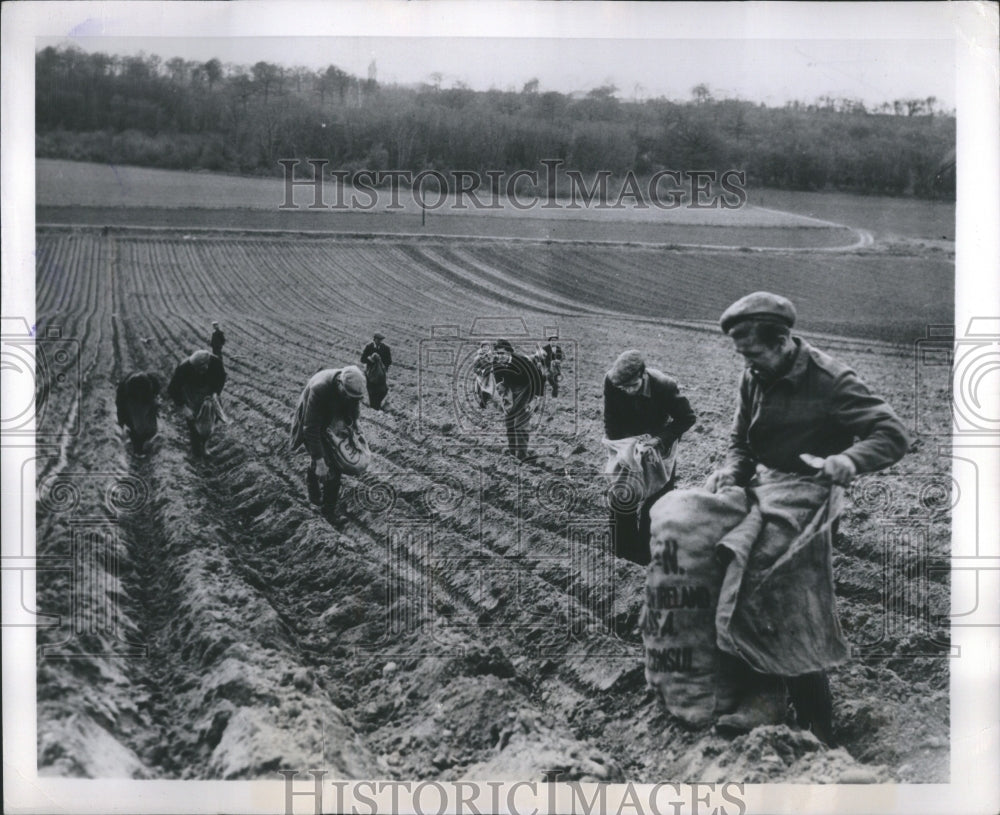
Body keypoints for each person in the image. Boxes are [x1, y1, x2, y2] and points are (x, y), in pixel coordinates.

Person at [700, 291, 910, 743]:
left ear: (780, 341)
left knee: (786, 594)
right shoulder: (754, 374)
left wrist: (850, 460)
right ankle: (763, 693)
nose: (746, 361)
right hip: (767, 485)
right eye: (742, 354)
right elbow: (741, 442)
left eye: (752, 351)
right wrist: (731, 473)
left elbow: (891, 433)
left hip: (812, 495)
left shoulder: (830, 379)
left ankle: (817, 718)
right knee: (713, 552)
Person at [603, 350, 696, 565]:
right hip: (628, 443)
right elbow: (610, 420)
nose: (626, 391)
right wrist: (621, 449)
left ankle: (645, 555)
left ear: (643, 375)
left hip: (658, 447)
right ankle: (622, 553)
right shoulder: (612, 381)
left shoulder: (664, 386)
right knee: (621, 495)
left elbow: (686, 418)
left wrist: (659, 440)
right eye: (622, 388)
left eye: (631, 386)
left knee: (657, 501)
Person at [290, 365, 367, 524]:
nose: (351, 399)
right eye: (348, 395)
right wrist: (319, 460)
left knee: (332, 460)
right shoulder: (320, 389)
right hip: (313, 419)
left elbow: (353, 408)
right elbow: (310, 428)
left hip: (333, 414)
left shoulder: (350, 391)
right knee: (329, 466)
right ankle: (327, 511)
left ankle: (317, 487)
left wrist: (354, 428)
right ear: (339, 384)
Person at [492, 339, 544, 462]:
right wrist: (502, 391)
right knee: (509, 422)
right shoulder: (496, 362)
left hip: (527, 389)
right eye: (497, 353)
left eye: (502, 353)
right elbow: (498, 377)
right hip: (511, 389)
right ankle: (512, 453)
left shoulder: (521, 362)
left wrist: (535, 400)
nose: (500, 356)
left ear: (509, 353)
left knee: (520, 424)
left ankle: (522, 455)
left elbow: (538, 379)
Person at [167, 350, 226, 456]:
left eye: (202, 369)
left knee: (211, 418)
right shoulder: (183, 368)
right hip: (191, 390)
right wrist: (184, 407)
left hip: (208, 389)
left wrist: (216, 393)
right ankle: (196, 450)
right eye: (196, 369)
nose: (199, 371)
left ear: (207, 363)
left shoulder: (216, 363)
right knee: (192, 418)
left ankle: (204, 444)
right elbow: (172, 389)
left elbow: (221, 377)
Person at [116, 371, 161, 455]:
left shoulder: (152, 381)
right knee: (136, 427)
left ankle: (147, 441)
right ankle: (137, 448)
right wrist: (122, 421)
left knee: (150, 427)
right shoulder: (124, 390)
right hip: (132, 402)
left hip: (146, 400)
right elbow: (120, 406)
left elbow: (157, 394)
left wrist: (154, 405)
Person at [361, 332, 392, 410]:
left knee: (383, 390)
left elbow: (389, 361)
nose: (380, 341)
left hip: (381, 373)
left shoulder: (385, 348)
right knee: (371, 390)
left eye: (381, 340)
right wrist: (370, 360)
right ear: (374, 339)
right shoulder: (369, 347)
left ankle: (377, 404)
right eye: (378, 340)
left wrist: (384, 367)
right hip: (370, 373)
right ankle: (373, 406)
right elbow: (362, 359)